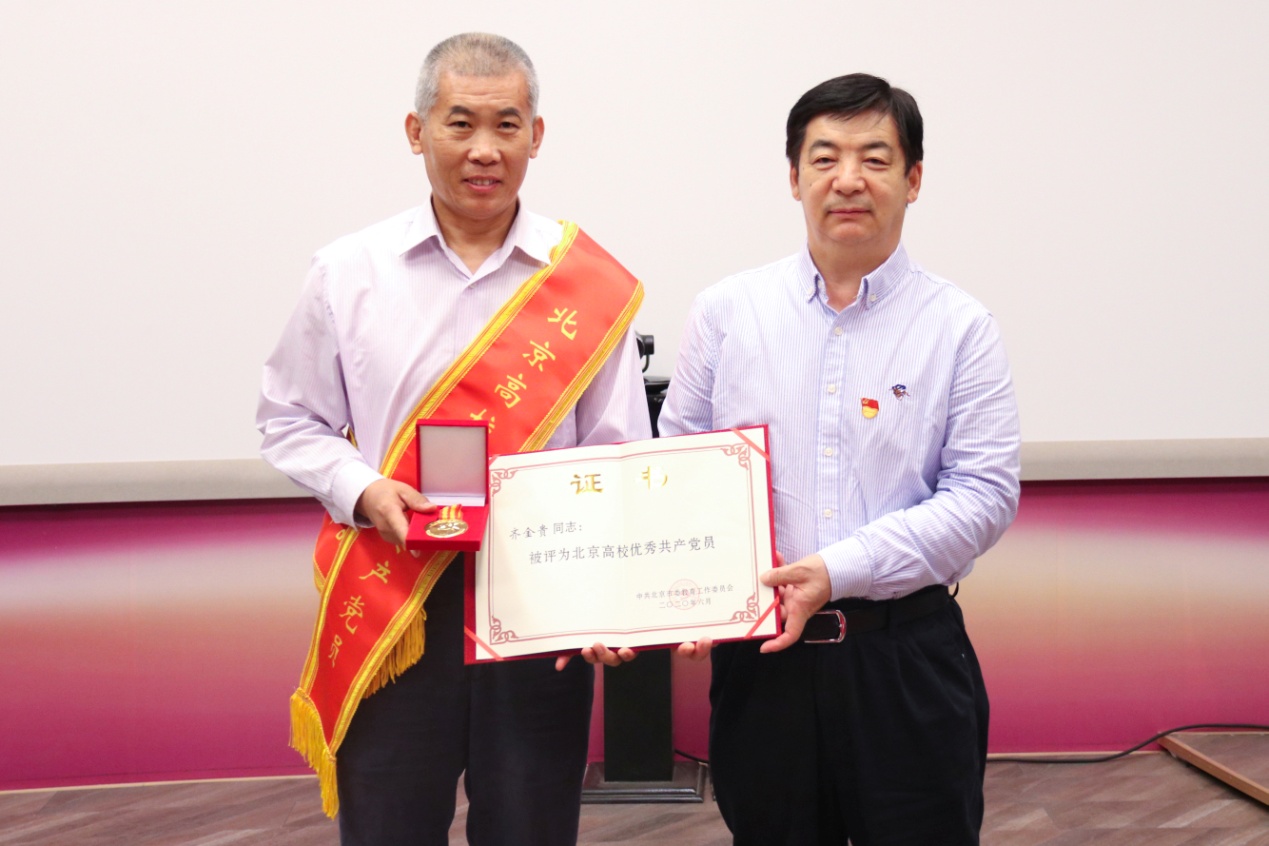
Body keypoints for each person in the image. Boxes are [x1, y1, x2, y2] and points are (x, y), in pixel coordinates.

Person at [257, 33, 650, 846]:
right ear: (416, 131)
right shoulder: (348, 271)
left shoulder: (586, 282)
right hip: (395, 600)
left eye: (506, 125)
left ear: (536, 136)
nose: (483, 149)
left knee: (531, 827)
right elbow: (289, 418)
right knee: (388, 827)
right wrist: (365, 489)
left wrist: (608, 598)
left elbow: (615, 458)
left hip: (538, 604)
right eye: (459, 122)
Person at [660, 73, 1021, 845]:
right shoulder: (726, 313)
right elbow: (679, 474)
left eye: (874, 158)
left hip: (905, 659)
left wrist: (836, 570)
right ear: (793, 177)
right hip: (763, 664)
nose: (847, 179)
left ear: (912, 179)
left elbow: (982, 497)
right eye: (823, 158)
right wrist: (677, 594)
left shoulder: (960, 326)